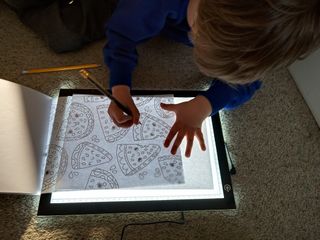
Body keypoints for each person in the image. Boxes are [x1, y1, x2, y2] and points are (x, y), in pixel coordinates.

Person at [5, 0, 320, 157]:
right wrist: (119, 83)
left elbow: (248, 80)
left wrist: (207, 104)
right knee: (65, 31)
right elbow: (122, 33)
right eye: (197, 35)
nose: (194, 46)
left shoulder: (268, 34)